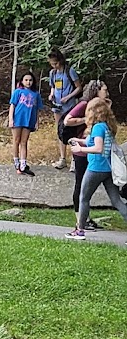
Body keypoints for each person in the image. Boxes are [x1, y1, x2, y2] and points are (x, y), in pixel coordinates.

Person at [66, 97, 127, 239]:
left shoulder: (98, 127)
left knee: (84, 198)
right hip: (108, 169)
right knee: (117, 201)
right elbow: (93, 141)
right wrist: (79, 140)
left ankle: (79, 230)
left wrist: (80, 149)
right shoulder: (107, 126)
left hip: (96, 167)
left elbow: (98, 148)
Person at [64, 80, 111, 231]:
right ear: (96, 91)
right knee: (81, 185)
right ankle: (80, 221)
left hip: (92, 152)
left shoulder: (101, 106)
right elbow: (67, 121)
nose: (107, 92)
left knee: (87, 188)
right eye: (104, 90)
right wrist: (88, 119)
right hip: (82, 149)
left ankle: (85, 221)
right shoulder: (85, 105)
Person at [47, 49, 82, 168]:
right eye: (52, 64)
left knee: (71, 131)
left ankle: (74, 158)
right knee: (60, 131)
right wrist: (51, 94)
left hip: (69, 105)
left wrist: (68, 97)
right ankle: (62, 158)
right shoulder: (52, 73)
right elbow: (53, 86)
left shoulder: (69, 71)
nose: (54, 66)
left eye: (56, 63)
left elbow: (78, 88)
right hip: (57, 106)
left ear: (60, 61)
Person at [8, 71, 42, 176]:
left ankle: (23, 163)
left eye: (30, 80)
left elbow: (36, 109)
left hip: (29, 120)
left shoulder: (36, 94)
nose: (28, 82)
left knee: (24, 141)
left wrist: (37, 121)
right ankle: (16, 161)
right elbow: (12, 105)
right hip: (18, 119)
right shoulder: (18, 92)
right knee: (16, 140)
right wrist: (11, 119)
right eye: (26, 80)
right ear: (22, 81)